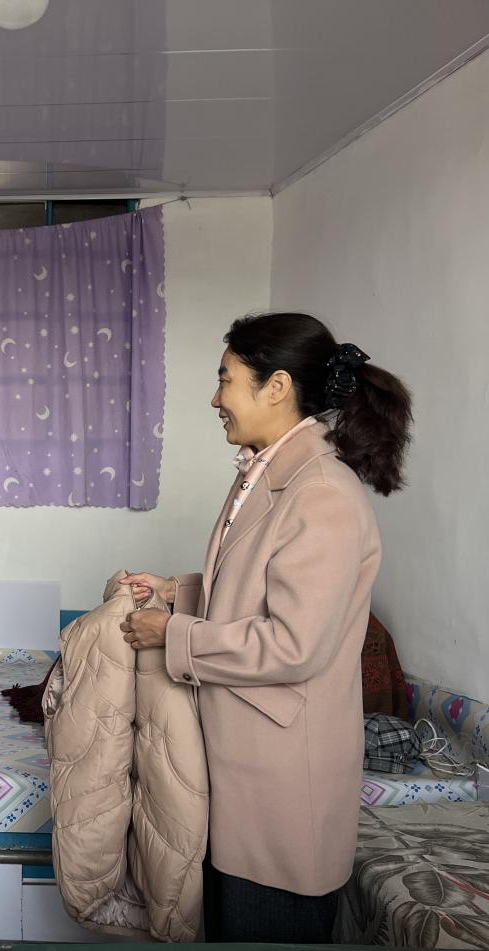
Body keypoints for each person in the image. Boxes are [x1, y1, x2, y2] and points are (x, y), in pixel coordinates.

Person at [119, 312, 413, 943]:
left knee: (265, 926)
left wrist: (172, 635)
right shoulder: (269, 474)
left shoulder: (322, 492)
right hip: (245, 767)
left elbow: (293, 643)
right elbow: (252, 587)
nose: (215, 398)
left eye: (225, 379)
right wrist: (175, 592)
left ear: (276, 386)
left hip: (281, 786)